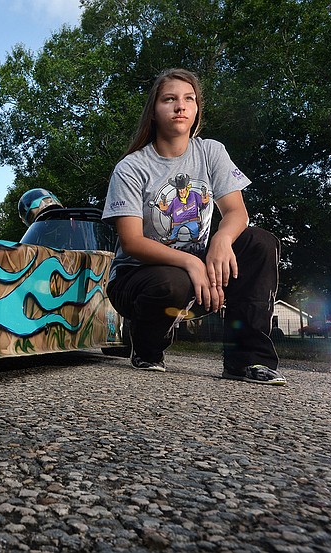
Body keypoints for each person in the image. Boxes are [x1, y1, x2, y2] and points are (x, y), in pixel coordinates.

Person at [101, 68, 285, 385]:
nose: (180, 106)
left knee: (260, 243)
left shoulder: (211, 151)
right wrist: (190, 262)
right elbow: (131, 241)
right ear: (154, 111)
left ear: (197, 108)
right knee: (171, 282)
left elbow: (237, 212)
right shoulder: (131, 167)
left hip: (203, 272)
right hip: (139, 277)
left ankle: (247, 361)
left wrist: (221, 241)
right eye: (169, 99)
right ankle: (146, 347)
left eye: (189, 99)